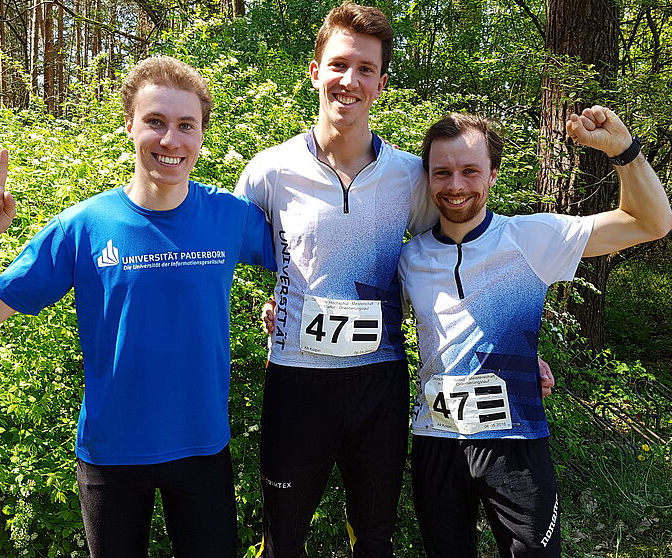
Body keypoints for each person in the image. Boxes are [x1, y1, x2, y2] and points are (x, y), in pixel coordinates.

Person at [0, 56, 275, 558]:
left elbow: (306, 259)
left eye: (186, 125)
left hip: (202, 444)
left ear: (201, 134)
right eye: (155, 121)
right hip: (112, 453)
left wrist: (286, 304)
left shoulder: (231, 217)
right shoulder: (84, 225)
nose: (171, 139)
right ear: (129, 125)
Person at [399, 110, 672, 557]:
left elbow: (651, 223)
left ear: (493, 174)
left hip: (516, 443)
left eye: (470, 170)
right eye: (442, 172)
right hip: (437, 439)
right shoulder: (409, 257)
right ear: (428, 178)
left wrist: (623, 151)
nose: (455, 185)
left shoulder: (530, 236)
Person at [233, 3, 438, 556]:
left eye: (366, 69)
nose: (350, 80)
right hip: (297, 381)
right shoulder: (270, 169)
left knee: (374, 537)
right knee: (283, 537)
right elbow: (239, 251)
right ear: (315, 71)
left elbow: (450, 259)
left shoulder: (410, 176)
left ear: (381, 83)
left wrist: (507, 354)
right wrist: (276, 297)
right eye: (339, 64)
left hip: (380, 380)